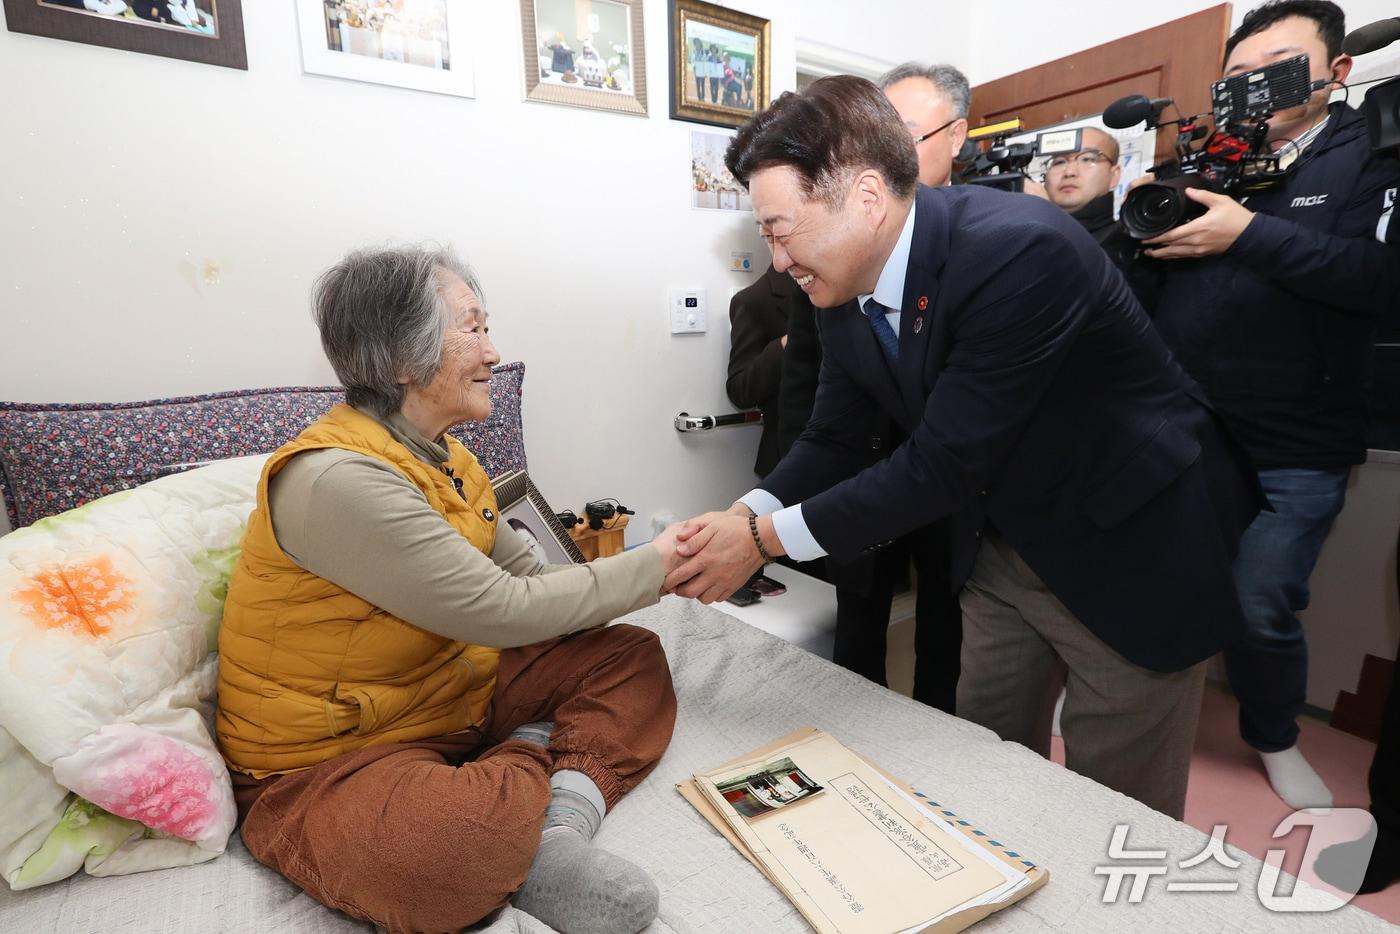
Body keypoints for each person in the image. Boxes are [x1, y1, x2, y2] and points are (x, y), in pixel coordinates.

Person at [666, 75, 1262, 820]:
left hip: (1131, 537)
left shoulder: (1019, 252)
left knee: (1112, 801)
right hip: (1004, 543)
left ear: (865, 197)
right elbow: (834, 436)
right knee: (984, 756)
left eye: (782, 230)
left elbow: (943, 461)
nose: (777, 259)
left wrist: (760, 541)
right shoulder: (837, 287)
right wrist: (743, 515)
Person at [216, 245, 682, 934]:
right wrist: (662, 565)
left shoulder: (451, 460)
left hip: (450, 699)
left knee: (627, 657)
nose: (493, 352)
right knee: (447, 852)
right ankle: (531, 773)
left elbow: (529, 582)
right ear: (403, 359)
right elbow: (500, 610)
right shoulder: (337, 481)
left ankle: (551, 831)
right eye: (473, 328)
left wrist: (656, 565)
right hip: (328, 761)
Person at [1133, 0, 1400, 809]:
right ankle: (1130, 702)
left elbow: (1378, 282)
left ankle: (1273, 734)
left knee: (1263, 602)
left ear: (1336, 73)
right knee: (1157, 576)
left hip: (1301, 441)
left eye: (1276, 68)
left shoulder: (1375, 154)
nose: (1253, 89)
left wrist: (1245, 233)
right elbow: (1147, 295)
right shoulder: (1206, 160)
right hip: (1187, 426)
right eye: (1238, 75)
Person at [775, 62, 970, 711]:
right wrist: (779, 499)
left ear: (957, 136)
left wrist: (761, 536)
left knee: (950, 621)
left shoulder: (990, 251)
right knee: (859, 622)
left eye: (905, 133)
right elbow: (816, 392)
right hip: (858, 472)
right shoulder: (833, 257)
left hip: (956, 487)